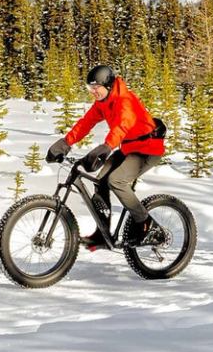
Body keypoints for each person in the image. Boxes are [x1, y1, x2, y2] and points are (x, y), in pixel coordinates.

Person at [46, 64, 166, 250]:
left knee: (116, 181)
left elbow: (122, 126)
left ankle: (146, 224)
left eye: (96, 87)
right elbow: (85, 123)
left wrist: (106, 147)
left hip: (147, 150)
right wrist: (65, 143)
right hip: (128, 148)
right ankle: (102, 234)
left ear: (108, 86)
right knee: (100, 181)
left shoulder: (125, 101)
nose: (93, 92)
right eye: (89, 88)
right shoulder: (103, 102)